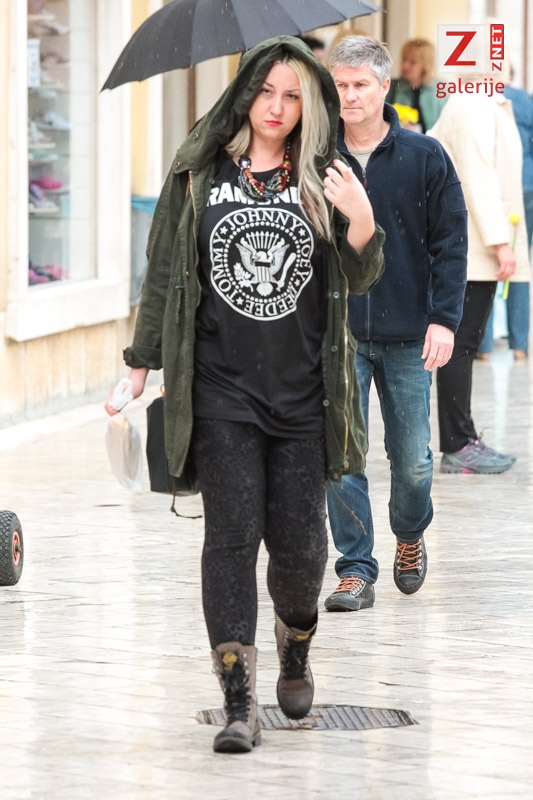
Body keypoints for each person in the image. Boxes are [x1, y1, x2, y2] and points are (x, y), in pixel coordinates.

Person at [105, 36, 384, 753]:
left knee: (301, 551)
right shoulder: (199, 173)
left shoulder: (325, 174)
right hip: (221, 392)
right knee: (229, 541)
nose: (277, 108)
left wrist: (360, 219)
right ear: (244, 92)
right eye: (266, 91)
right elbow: (164, 272)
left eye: (293, 96)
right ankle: (238, 702)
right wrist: (139, 365)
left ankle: (295, 649)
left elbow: (360, 278)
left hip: (303, 398)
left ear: (308, 105)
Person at [322, 35, 467, 613]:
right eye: (340, 85)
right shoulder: (317, 156)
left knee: (412, 460)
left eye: (361, 84)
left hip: (410, 332)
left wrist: (444, 321)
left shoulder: (425, 156)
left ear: (385, 87)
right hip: (340, 334)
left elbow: (450, 243)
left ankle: (409, 533)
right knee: (342, 456)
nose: (350, 96)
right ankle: (355, 568)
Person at [428, 81, 530, 474]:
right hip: (470, 246)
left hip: (474, 244)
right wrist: (500, 242)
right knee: (460, 344)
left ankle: (463, 438)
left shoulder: (486, 101)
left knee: (463, 343)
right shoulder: (472, 103)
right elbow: (477, 178)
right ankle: (458, 445)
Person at [477, 81, 533, 361]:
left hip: (491, 187)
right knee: (520, 262)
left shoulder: (475, 99)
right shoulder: (524, 100)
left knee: (486, 262)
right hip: (526, 185)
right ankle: (520, 345)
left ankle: (483, 346)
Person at [385, 38, 446, 133]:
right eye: (404, 59)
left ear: (426, 65)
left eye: (412, 62)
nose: (405, 66)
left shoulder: (442, 89)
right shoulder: (390, 87)